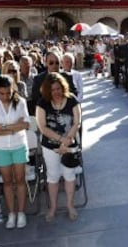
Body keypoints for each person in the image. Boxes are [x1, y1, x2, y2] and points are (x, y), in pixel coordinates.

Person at [35, 72, 81, 223]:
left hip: (69, 144)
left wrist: (66, 142)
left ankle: (70, 205)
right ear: (48, 90)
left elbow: (77, 122)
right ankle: (53, 207)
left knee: (69, 174)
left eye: (58, 88)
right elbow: (42, 127)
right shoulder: (42, 103)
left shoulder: (72, 99)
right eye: (53, 89)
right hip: (51, 146)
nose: (56, 92)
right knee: (53, 176)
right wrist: (61, 140)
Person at [0, 75, 30, 229]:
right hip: (1, 148)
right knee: (7, 182)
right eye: (2, 93)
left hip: (19, 145)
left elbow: (25, 124)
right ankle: (11, 213)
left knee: (20, 180)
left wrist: (2, 127)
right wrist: (12, 128)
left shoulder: (21, 102)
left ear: (13, 90)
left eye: (8, 93)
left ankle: (21, 212)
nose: (5, 96)